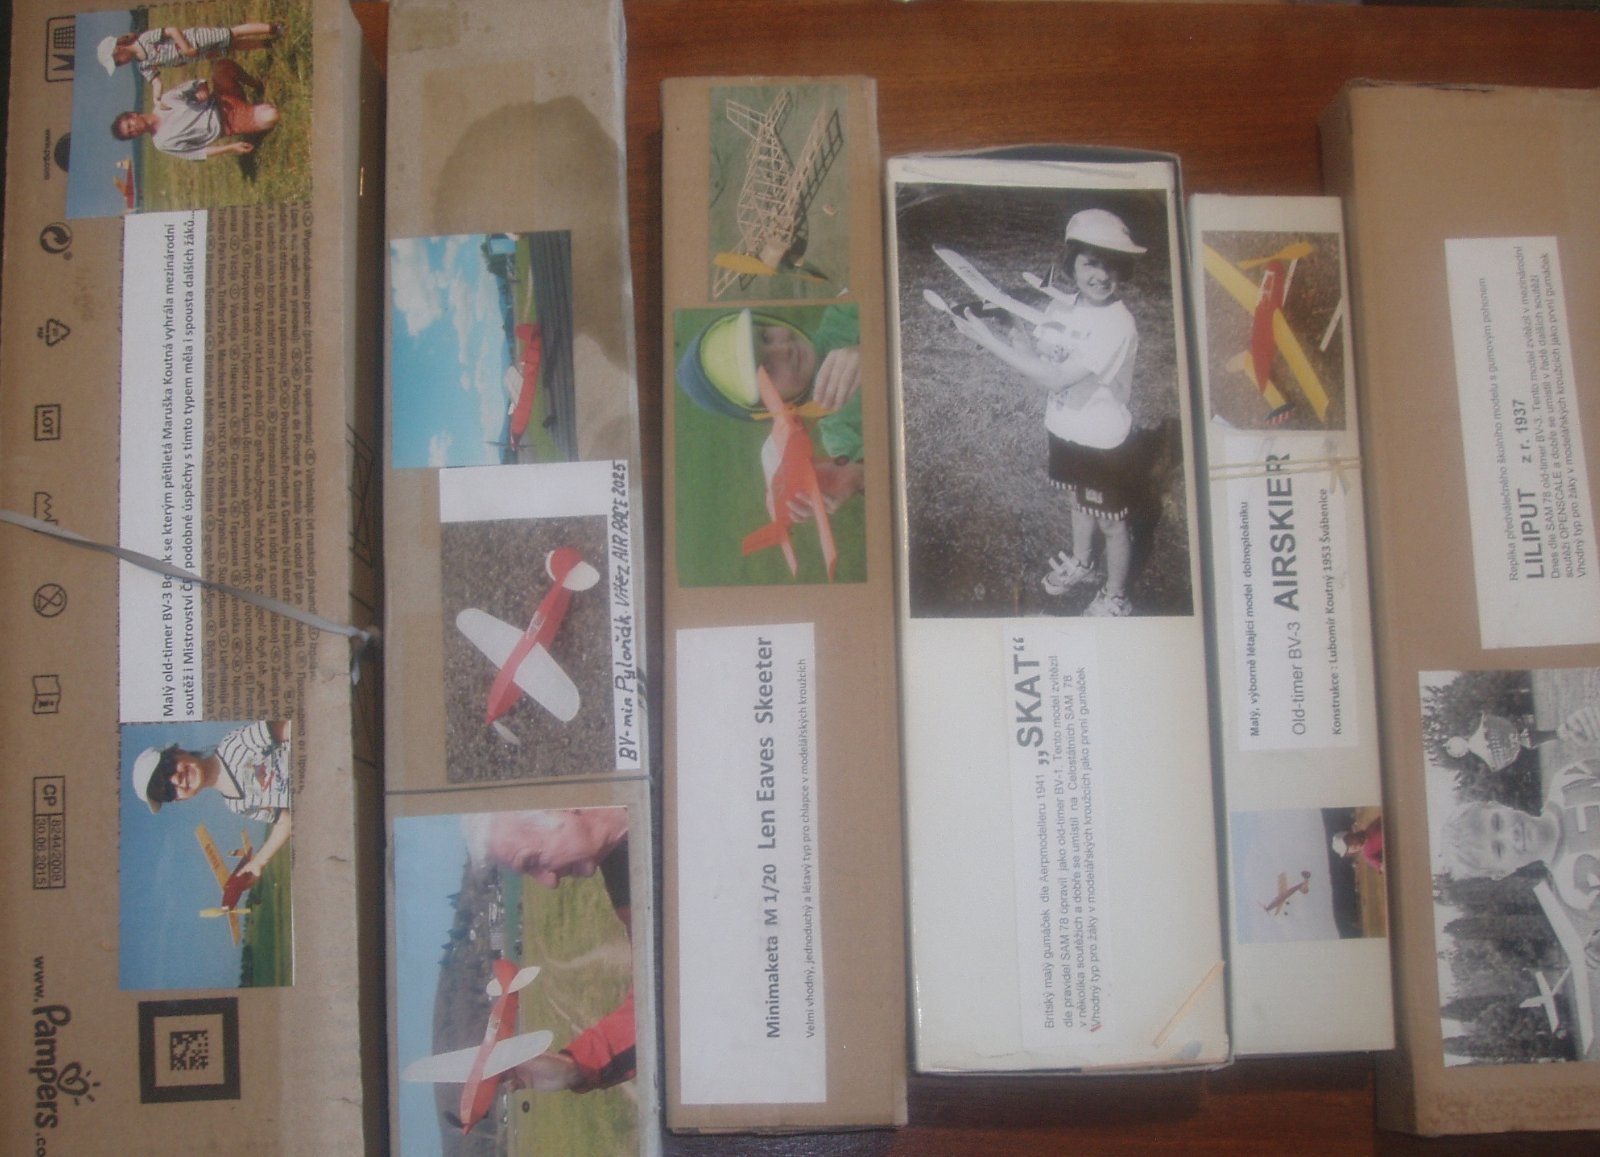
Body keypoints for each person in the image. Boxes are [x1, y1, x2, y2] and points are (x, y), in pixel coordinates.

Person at [945, 208, 1145, 617]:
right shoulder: (1062, 309)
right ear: (1072, 263)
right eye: (1091, 263)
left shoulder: (1116, 324)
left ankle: (1116, 596)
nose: (1101, 275)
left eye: (1111, 265)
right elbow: (1038, 360)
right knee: (1078, 502)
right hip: (1065, 429)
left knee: (1112, 522)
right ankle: (1082, 563)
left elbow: (1055, 380)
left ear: (1124, 269)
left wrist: (987, 340)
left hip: (1102, 444)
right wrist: (1007, 324)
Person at [461, 808, 636, 1093]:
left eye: (532, 862)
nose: (550, 882)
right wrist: (574, 1068)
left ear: (560, 807)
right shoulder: (626, 881)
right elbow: (662, 1001)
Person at [677, 305, 864, 520]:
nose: (783, 349)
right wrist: (859, 476)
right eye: (767, 368)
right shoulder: (846, 443)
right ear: (768, 407)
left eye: (765, 336)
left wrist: (873, 349)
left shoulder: (846, 311)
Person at [129, 719, 292, 907]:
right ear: (178, 799)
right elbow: (286, 821)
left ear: (178, 751)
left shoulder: (234, 745)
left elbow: (292, 727)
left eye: (167, 768)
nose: (176, 779)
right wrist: (259, 862)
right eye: (167, 791)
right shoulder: (236, 804)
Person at [1442, 757, 1600, 911]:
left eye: (1498, 823)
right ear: (1502, 872)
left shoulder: (1567, 779)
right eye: (1499, 849)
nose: (1511, 835)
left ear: (1498, 805)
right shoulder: (1575, 890)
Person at [110, 60, 278, 162]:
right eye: (131, 134)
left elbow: (195, 84)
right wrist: (231, 148)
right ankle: (253, 111)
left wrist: (201, 88)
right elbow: (197, 153)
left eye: (129, 125)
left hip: (222, 98)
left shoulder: (165, 100)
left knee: (222, 66)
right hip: (230, 123)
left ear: (133, 115)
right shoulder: (162, 143)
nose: (134, 129)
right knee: (271, 115)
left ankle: (257, 85)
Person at [97, 23, 282, 84]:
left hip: (194, 40)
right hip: (195, 55)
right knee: (231, 47)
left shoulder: (144, 40)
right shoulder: (143, 65)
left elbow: (171, 30)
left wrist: (185, 47)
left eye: (117, 62)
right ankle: (265, 44)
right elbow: (157, 78)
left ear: (119, 49)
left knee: (231, 33)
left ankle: (272, 28)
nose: (121, 65)